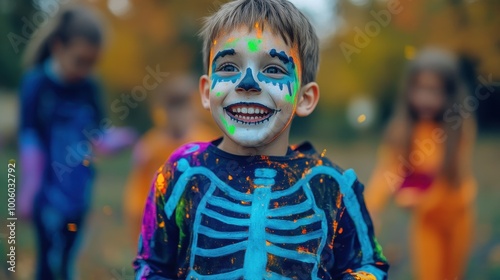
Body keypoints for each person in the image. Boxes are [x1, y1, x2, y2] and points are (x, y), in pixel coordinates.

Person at [133, 0, 389, 279]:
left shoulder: (332, 184)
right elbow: (152, 265)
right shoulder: (183, 173)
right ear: (206, 92)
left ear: (304, 98)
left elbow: (366, 265)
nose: (247, 83)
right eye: (229, 66)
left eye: (274, 69)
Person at [18, 5, 135, 280]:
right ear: (58, 47)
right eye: (80, 61)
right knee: (48, 263)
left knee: (69, 260)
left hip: (79, 191)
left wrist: (118, 139)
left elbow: (98, 134)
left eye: (92, 63)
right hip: (45, 193)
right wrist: (28, 188)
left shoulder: (89, 86)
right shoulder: (36, 84)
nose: (86, 70)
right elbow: (29, 138)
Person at [365, 48, 476, 280]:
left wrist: (423, 199)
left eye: (435, 91)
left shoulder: (458, 130)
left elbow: (454, 181)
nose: (426, 98)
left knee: (452, 274)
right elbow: (388, 171)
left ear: (450, 93)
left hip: (457, 218)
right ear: (409, 90)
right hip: (426, 224)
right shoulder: (402, 131)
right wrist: (372, 207)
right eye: (420, 89)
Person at [123, 74, 219, 244]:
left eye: (184, 106)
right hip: (160, 230)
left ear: (195, 108)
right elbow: (137, 196)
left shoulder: (207, 145)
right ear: (161, 110)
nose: (178, 114)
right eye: (173, 106)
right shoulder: (149, 147)